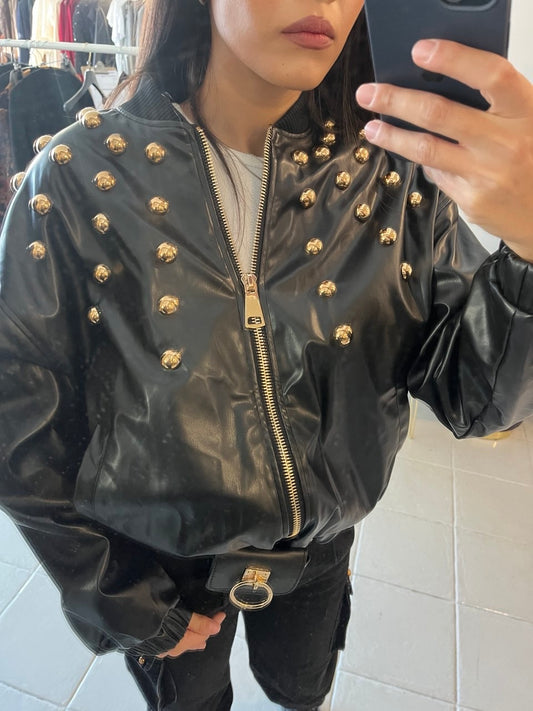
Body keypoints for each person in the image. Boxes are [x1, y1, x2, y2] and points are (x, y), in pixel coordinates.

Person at [1, 1, 533, 710]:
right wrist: (118, 595)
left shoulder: (392, 172)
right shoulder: (76, 181)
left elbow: (474, 398)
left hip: (320, 551)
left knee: (300, 689)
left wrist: (528, 252)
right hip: (161, 560)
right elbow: (21, 429)